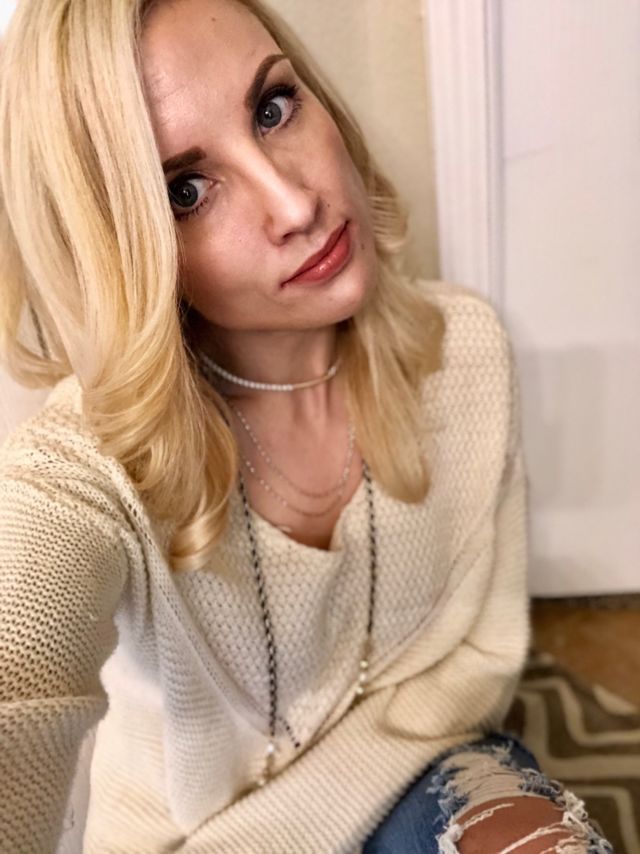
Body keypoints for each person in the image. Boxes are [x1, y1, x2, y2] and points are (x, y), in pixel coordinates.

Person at [0, 0, 614, 851]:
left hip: (426, 772)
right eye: (185, 191)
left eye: (273, 107)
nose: (294, 202)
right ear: (121, 249)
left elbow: (472, 672)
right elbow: (19, 670)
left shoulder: (465, 356)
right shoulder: (94, 466)